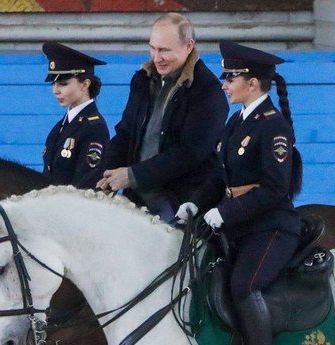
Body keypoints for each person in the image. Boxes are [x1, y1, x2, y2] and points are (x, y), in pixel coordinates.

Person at [178, 41, 303, 345]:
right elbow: (220, 177)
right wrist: (196, 204)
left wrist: (226, 214)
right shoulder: (237, 121)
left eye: (230, 77)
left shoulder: (273, 127)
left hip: (271, 227)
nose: (224, 83)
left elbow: (276, 189)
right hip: (238, 224)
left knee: (244, 285)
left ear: (253, 83)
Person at [96, 12, 228, 223]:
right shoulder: (142, 79)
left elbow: (190, 153)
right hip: (136, 200)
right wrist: (108, 174)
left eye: (164, 50)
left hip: (178, 204)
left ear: (188, 46)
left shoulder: (208, 91)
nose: (157, 58)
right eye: (153, 48)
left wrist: (132, 176)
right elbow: (125, 133)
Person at [41, 42, 110, 190]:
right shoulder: (60, 126)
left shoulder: (94, 128)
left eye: (63, 84)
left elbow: (87, 184)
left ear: (85, 84)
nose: (55, 90)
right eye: (53, 84)